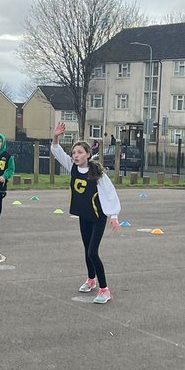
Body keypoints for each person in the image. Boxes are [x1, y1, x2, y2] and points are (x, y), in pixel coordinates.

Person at [52, 121, 121, 304]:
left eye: (80, 152)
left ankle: (105, 289)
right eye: (74, 152)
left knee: (92, 252)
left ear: (88, 155)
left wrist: (114, 216)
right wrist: (56, 136)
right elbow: (57, 151)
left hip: (98, 217)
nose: (75, 155)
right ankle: (91, 279)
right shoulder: (73, 167)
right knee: (86, 250)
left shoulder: (96, 172)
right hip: (84, 216)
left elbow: (110, 192)